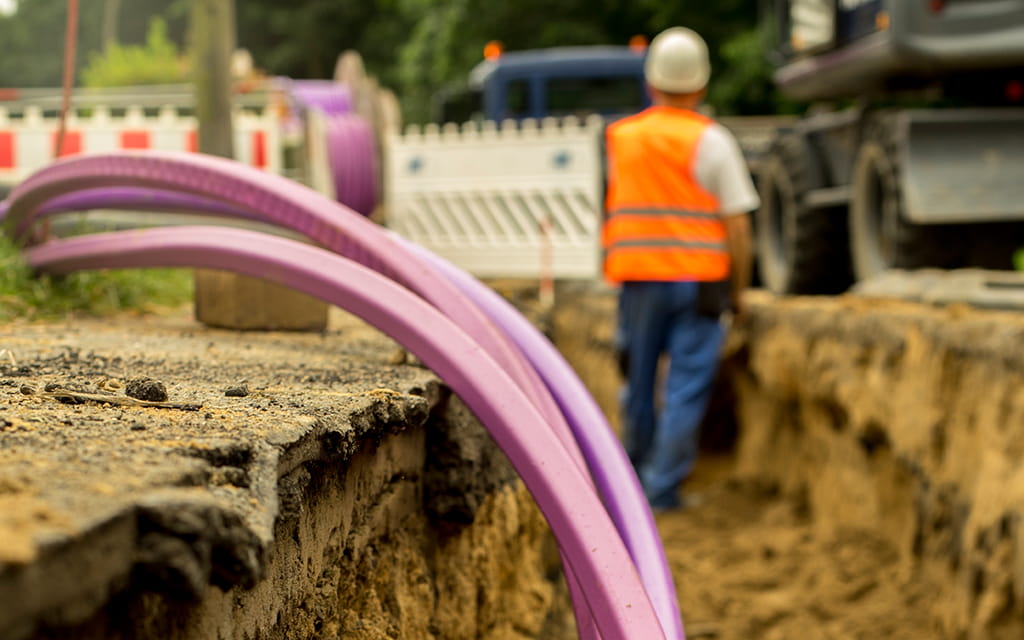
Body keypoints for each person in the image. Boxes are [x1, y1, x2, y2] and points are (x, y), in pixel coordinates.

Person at [602, 26, 758, 511]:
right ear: (702, 85)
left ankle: (631, 485)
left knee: (639, 384)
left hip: (639, 279)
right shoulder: (713, 141)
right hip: (701, 283)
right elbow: (738, 226)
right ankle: (661, 490)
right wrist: (741, 292)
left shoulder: (622, 139)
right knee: (686, 387)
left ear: (651, 83)